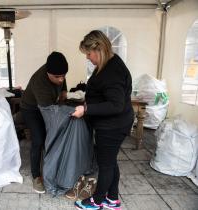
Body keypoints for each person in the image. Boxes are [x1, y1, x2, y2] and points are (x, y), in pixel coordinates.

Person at [72, 30, 134, 210]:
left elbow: (116, 105)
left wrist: (86, 109)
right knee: (110, 161)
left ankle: (97, 201)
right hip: (113, 124)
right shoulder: (109, 64)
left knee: (105, 164)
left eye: (89, 54)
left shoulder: (113, 71)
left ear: (98, 49)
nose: (88, 58)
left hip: (113, 126)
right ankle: (113, 199)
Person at [20, 51, 68, 193]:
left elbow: (61, 81)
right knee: (39, 139)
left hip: (47, 104)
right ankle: (36, 176)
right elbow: (48, 114)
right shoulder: (39, 82)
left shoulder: (58, 71)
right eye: (57, 77)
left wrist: (64, 91)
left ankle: (55, 167)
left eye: (64, 75)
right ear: (48, 73)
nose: (61, 79)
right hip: (31, 109)